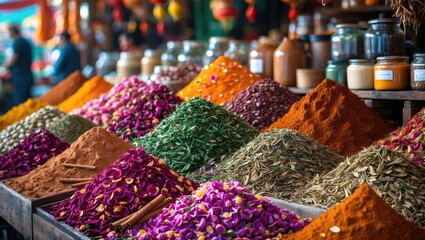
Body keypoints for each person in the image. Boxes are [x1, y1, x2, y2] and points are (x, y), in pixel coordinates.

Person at [2, 24, 34, 106]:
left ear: (12, 32)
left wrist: (4, 66)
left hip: (21, 77)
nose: (7, 34)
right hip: (25, 75)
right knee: (26, 102)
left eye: (8, 32)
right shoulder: (23, 41)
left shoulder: (18, 42)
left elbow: (13, 59)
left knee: (20, 102)